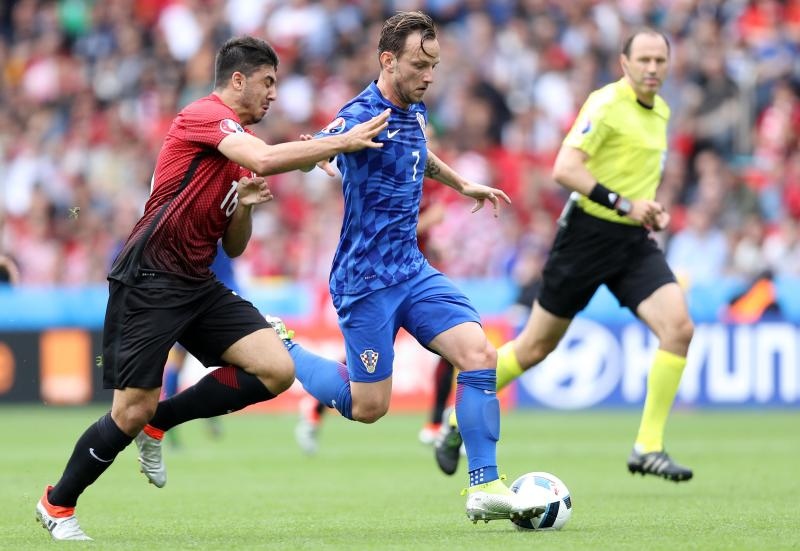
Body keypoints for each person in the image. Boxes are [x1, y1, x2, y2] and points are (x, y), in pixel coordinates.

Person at [134, 11, 544, 524]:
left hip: (412, 270)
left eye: (434, 66)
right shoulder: (359, 115)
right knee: (369, 407)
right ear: (388, 61)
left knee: (478, 353)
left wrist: (462, 184)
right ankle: (285, 345)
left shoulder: (415, 110)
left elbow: (419, 153)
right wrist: (319, 152)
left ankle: (485, 485)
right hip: (365, 280)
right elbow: (314, 147)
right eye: (419, 65)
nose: (428, 76)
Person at [35, 35, 389, 541]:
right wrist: (338, 142)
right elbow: (266, 159)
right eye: (267, 82)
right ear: (238, 80)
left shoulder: (238, 153)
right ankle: (57, 503)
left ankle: (160, 422)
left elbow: (235, 246)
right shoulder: (203, 115)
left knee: (275, 369)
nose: (273, 94)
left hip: (197, 282)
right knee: (129, 410)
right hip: (149, 279)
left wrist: (243, 206)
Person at [434, 28, 696, 483]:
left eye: (660, 60)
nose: (653, 68)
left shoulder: (662, 111)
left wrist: (647, 209)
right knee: (535, 347)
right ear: (624, 63)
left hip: (631, 242)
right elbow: (565, 168)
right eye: (644, 59)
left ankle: (648, 447)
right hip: (586, 237)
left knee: (679, 328)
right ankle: (457, 418)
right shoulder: (606, 104)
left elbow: (632, 179)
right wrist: (626, 204)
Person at [294, 198, 456, 455]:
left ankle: (435, 425)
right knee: (369, 357)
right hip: (384, 281)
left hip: (414, 277)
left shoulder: (420, 183)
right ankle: (314, 406)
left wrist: (430, 244)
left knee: (452, 344)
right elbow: (387, 231)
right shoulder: (390, 185)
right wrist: (427, 221)